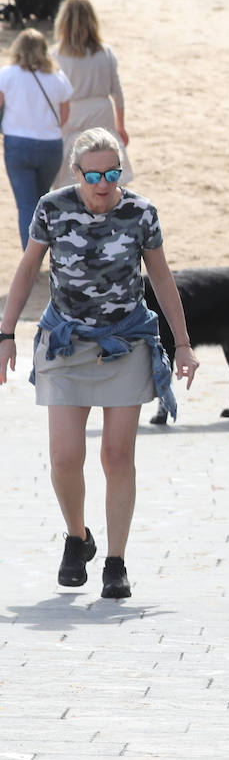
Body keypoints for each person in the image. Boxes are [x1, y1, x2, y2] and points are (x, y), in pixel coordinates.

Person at [0, 128, 199, 598]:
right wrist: (6, 333)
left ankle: (116, 561)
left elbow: (163, 277)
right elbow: (28, 269)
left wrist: (185, 343)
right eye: (94, 175)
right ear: (76, 174)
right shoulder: (52, 208)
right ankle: (77, 537)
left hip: (124, 342)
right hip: (65, 343)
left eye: (113, 173)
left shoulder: (141, 213)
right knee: (66, 458)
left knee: (116, 455)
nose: (105, 184)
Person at [0, 29, 72, 248]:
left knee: (26, 205)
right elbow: (65, 114)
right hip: (51, 145)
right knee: (44, 200)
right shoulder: (58, 77)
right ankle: (48, 249)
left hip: (18, 144)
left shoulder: (7, 74)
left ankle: (30, 256)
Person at [52, 0, 133, 189]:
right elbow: (118, 94)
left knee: (71, 177)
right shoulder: (105, 53)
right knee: (104, 165)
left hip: (71, 115)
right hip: (101, 112)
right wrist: (120, 125)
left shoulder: (56, 55)